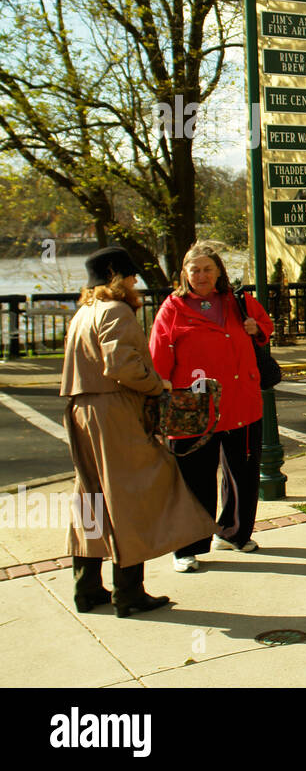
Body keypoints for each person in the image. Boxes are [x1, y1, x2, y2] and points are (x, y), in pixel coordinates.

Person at [62, 246, 216, 617]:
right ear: (117, 276)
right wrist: (157, 385)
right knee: (129, 495)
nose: (135, 281)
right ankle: (128, 594)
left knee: (91, 497)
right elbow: (123, 366)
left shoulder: (85, 312)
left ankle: (87, 588)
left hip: (80, 409)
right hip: (112, 409)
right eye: (130, 275)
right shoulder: (116, 310)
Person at [149, 241, 274, 573]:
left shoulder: (239, 302)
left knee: (243, 474)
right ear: (184, 274)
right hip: (192, 407)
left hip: (241, 402)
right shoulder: (173, 307)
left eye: (207, 269)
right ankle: (185, 547)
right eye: (195, 270)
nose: (201, 275)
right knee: (193, 479)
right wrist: (159, 399)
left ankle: (233, 533)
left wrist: (256, 328)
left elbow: (266, 327)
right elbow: (159, 355)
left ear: (219, 271)